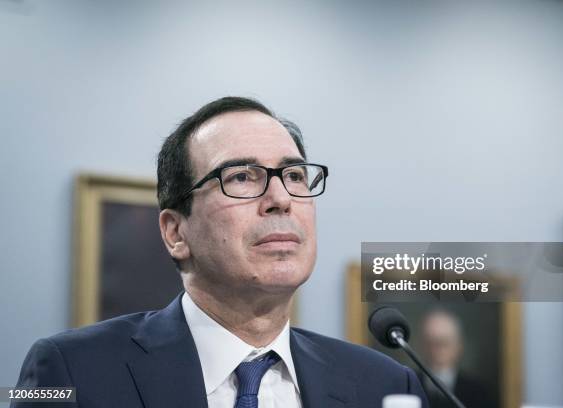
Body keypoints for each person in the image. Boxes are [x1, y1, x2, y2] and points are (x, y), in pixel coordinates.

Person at [12, 96, 429, 408]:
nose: (280, 198)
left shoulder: (387, 386)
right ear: (176, 232)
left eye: (295, 175)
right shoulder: (72, 370)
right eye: (243, 177)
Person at [418, 309, 492, 408]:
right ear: (422, 345)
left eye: (443, 343)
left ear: (458, 346)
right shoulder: (409, 385)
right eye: (430, 342)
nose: (436, 350)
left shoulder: (477, 391)